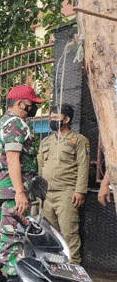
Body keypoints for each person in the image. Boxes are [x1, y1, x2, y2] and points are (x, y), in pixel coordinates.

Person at [0, 84, 43, 282]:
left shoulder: (2, 122)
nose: (33, 109)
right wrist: (20, 191)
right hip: (12, 188)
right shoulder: (17, 124)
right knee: (13, 231)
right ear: (20, 104)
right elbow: (13, 158)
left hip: (1, 187)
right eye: (31, 104)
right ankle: (13, 278)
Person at [37, 104, 89, 264]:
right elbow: (41, 167)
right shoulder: (46, 141)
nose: (51, 120)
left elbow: (83, 165)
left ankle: (73, 268)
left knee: (69, 233)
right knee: (50, 234)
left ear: (66, 119)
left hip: (67, 193)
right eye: (50, 117)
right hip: (47, 195)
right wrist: (40, 192)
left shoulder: (79, 140)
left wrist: (80, 191)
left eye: (55, 117)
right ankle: (54, 265)